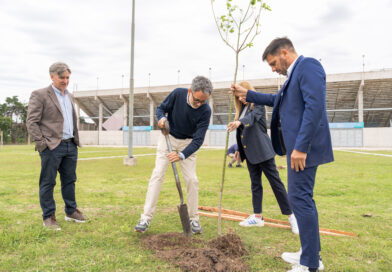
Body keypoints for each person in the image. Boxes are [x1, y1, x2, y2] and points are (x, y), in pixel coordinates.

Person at [231, 38, 333, 272]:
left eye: (274, 63)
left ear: (285, 53)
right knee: (302, 199)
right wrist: (249, 94)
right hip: (297, 149)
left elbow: (314, 107)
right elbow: (278, 101)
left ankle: (310, 264)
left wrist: (301, 147)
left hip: (302, 151)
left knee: (300, 199)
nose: (274, 68)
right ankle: (309, 253)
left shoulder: (308, 66)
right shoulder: (292, 77)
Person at [134, 76, 213, 234]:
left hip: (188, 143)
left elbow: (198, 140)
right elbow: (160, 109)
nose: (199, 105)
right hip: (168, 137)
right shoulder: (177, 94)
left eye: (203, 102)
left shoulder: (205, 110)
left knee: (192, 179)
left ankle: (193, 219)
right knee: (157, 174)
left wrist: (182, 155)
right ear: (190, 91)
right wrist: (162, 118)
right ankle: (145, 218)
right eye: (197, 100)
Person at [227, 81, 298, 233]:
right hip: (250, 153)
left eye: (243, 95)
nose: (241, 99)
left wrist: (239, 122)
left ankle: (292, 217)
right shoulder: (242, 110)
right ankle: (257, 217)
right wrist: (239, 149)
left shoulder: (257, 105)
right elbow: (242, 133)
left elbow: (252, 118)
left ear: (249, 92)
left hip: (263, 152)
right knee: (255, 184)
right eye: (238, 97)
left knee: (276, 184)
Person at [26, 62, 86, 231]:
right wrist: (42, 144)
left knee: (70, 181)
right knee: (48, 182)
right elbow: (31, 122)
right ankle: (49, 217)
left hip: (70, 146)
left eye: (67, 77)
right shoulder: (40, 95)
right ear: (52, 76)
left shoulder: (70, 96)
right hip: (51, 147)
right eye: (62, 77)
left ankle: (71, 211)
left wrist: (74, 141)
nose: (65, 81)